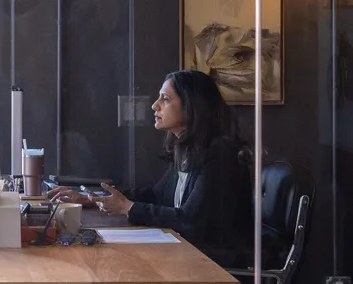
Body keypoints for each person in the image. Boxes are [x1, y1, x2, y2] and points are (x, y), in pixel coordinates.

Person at [51, 69, 253, 270]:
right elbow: (155, 195)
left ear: (192, 106)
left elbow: (192, 221)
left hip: (217, 266)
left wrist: (128, 207)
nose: (154, 105)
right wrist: (92, 200)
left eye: (165, 99)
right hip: (192, 254)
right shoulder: (188, 149)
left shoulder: (221, 152)